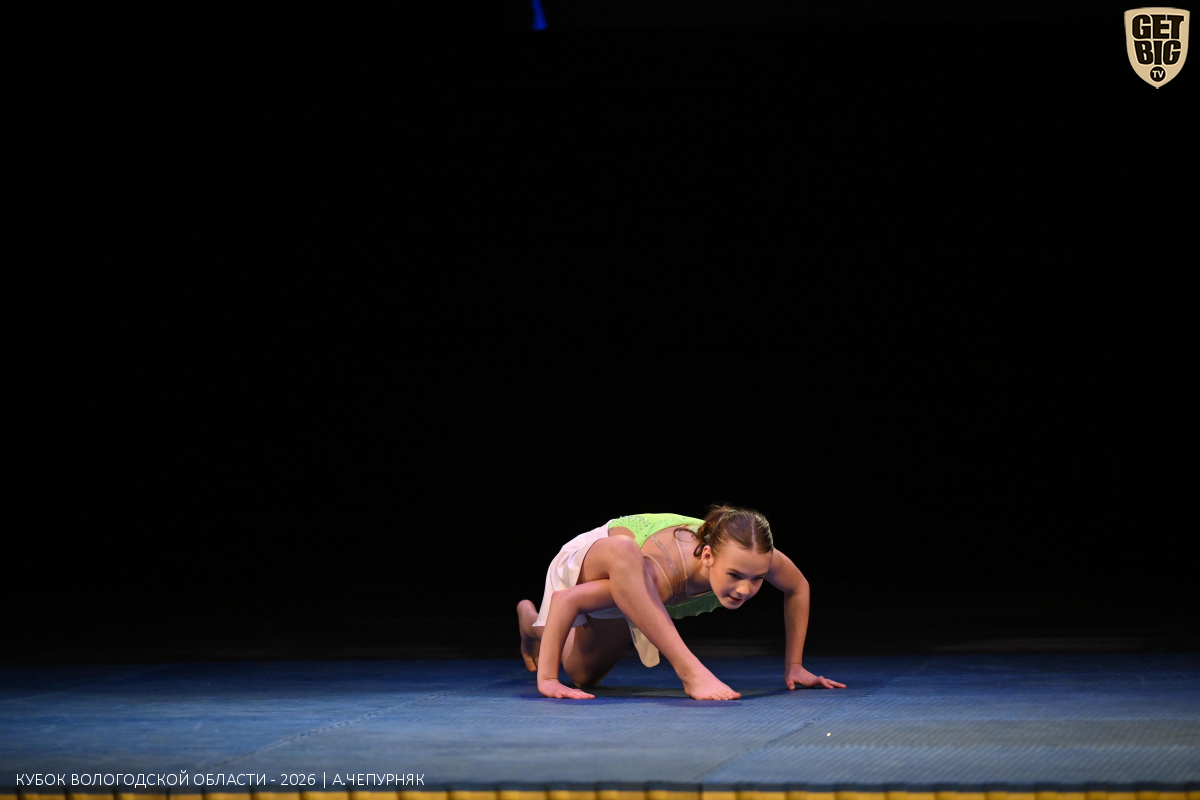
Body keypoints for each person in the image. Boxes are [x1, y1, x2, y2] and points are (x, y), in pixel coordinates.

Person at [516, 506, 846, 700]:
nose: (745, 589)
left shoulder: (753, 555)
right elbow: (566, 598)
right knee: (624, 552)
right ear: (707, 555)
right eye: (734, 575)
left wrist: (794, 665)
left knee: (584, 676)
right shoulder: (659, 575)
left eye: (757, 579)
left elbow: (798, 587)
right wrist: (548, 680)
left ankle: (531, 623)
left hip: (632, 586)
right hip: (597, 553)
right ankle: (691, 671)